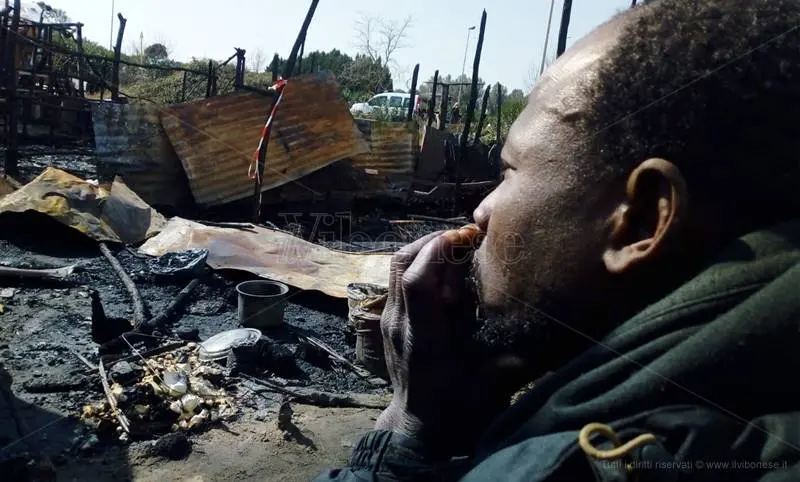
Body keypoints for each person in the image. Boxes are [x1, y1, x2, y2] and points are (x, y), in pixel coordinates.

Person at [315, 0, 800, 480]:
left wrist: (407, 434)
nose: (480, 212)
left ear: (639, 222)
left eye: (508, 171)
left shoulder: (596, 464)